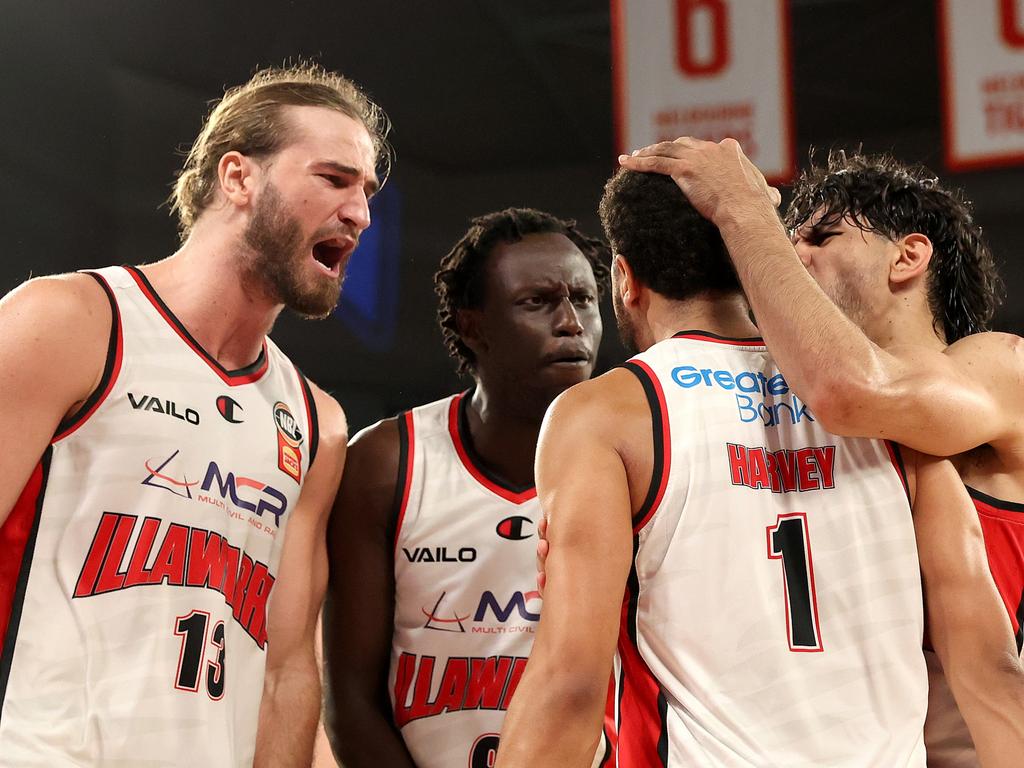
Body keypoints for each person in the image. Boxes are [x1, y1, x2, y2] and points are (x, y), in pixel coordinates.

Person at [496, 169, 1024, 767]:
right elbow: (991, 672)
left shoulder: (607, 413)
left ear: (625, 277)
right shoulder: (894, 422)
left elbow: (570, 690)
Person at [0, 63, 388, 767]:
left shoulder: (313, 420)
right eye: (334, 179)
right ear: (238, 177)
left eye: (365, 191)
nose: (360, 213)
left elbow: (287, 673)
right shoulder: (71, 322)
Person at [320, 208, 608, 768]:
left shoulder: (636, 461)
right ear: (472, 326)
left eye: (584, 298)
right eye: (538, 301)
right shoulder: (385, 464)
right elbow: (351, 701)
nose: (571, 321)